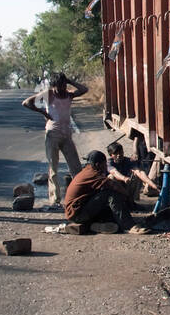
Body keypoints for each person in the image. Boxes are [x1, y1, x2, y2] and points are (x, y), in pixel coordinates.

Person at [22, 72, 86, 209]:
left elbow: (84, 90)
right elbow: (26, 102)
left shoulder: (69, 94)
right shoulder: (49, 94)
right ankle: (55, 200)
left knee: (76, 167)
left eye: (64, 85)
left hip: (67, 134)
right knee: (54, 168)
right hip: (53, 134)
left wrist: (70, 80)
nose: (62, 88)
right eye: (59, 85)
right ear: (54, 85)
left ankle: (80, 195)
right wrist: (43, 113)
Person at [64, 150, 134, 231]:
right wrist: (128, 196)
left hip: (76, 212)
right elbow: (113, 185)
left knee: (111, 212)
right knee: (110, 194)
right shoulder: (93, 174)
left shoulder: (88, 170)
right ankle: (129, 226)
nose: (106, 166)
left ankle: (95, 225)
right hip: (77, 214)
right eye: (105, 164)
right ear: (98, 164)